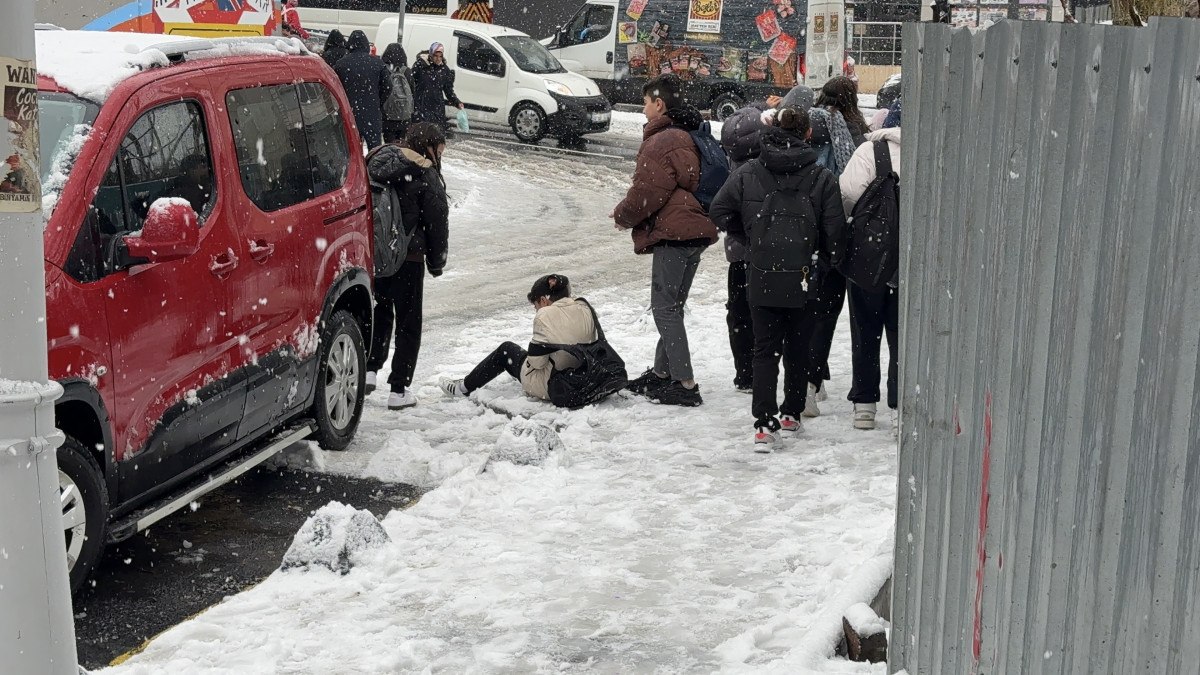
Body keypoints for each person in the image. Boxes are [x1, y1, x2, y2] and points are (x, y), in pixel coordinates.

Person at [709, 106, 846, 450]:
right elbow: (835, 233)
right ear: (808, 135)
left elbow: (719, 210)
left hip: (762, 272)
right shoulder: (822, 177)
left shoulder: (750, 171)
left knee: (764, 349)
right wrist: (822, 259)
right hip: (804, 275)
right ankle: (791, 413)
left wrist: (752, 238)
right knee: (799, 347)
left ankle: (764, 424)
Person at [611, 74, 718, 407]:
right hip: (695, 229)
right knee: (672, 307)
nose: (643, 109)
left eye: (645, 102)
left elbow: (647, 192)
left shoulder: (662, 140)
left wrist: (623, 216)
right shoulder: (687, 133)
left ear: (659, 104)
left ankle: (684, 384)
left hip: (676, 233)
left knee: (664, 309)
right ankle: (661, 374)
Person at [719, 84, 815, 393]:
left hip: (742, 252)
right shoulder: (789, 161)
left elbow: (720, 209)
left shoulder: (742, 158)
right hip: (784, 254)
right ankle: (785, 381)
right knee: (783, 317)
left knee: (740, 313)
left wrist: (743, 232)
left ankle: (746, 374)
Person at [364, 123, 450, 410]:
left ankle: (369, 371)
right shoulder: (425, 171)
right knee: (409, 323)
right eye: (439, 148)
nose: (440, 154)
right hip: (409, 258)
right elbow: (437, 222)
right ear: (429, 145)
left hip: (375, 253)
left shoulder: (377, 160)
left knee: (379, 312)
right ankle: (399, 390)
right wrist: (436, 262)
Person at [799, 75, 870, 417]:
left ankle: (813, 378)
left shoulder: (810, 122)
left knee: (815, 304)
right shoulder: (856, 129)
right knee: (832, 307)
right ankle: (816, 376)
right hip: (846, 226)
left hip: (813, 224)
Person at [839, 101, 901, 433]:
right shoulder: (934, 147)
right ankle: (901, 402)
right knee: (902, 333)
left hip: (871, 255)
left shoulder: (870, 151)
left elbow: (847, 191)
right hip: (910, 259)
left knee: (865, 329)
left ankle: (865, 404)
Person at [439, 275, 599, 400]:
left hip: (556, 385)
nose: (536, 310)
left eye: (535, 306)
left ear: (543, 300)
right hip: (586, 375)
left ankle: (463, 388)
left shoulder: (545, 315)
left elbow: (537, 363)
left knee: (506, 350)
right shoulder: (583, 306)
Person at [334, 30, 393, 149]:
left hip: (349, 114)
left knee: (352, 150)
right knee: (375, 151)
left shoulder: (341, 64)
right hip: (372, 114)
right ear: (366, 45)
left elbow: (336, 89)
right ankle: (372, 167)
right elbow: (388, 87)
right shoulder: (377, 63)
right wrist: (377, 101)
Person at [411, 43, 463, 129]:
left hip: (437, 109)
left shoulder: (444, 70)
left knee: (435, 135)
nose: (438, 59)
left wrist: (457, 102)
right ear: (431, 54)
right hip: (421, 107)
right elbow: (411, 83)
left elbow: (448, 90)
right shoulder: (420, 66)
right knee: (422, 134)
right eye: (435, 56)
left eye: (440, 56)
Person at [381, 44, 416, 143]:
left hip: (389, 117)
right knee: (401, 146)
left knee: (389, 146)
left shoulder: (384, 70)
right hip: (404, 117)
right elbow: (413, 93)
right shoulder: (407, 72)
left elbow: (382, 92)